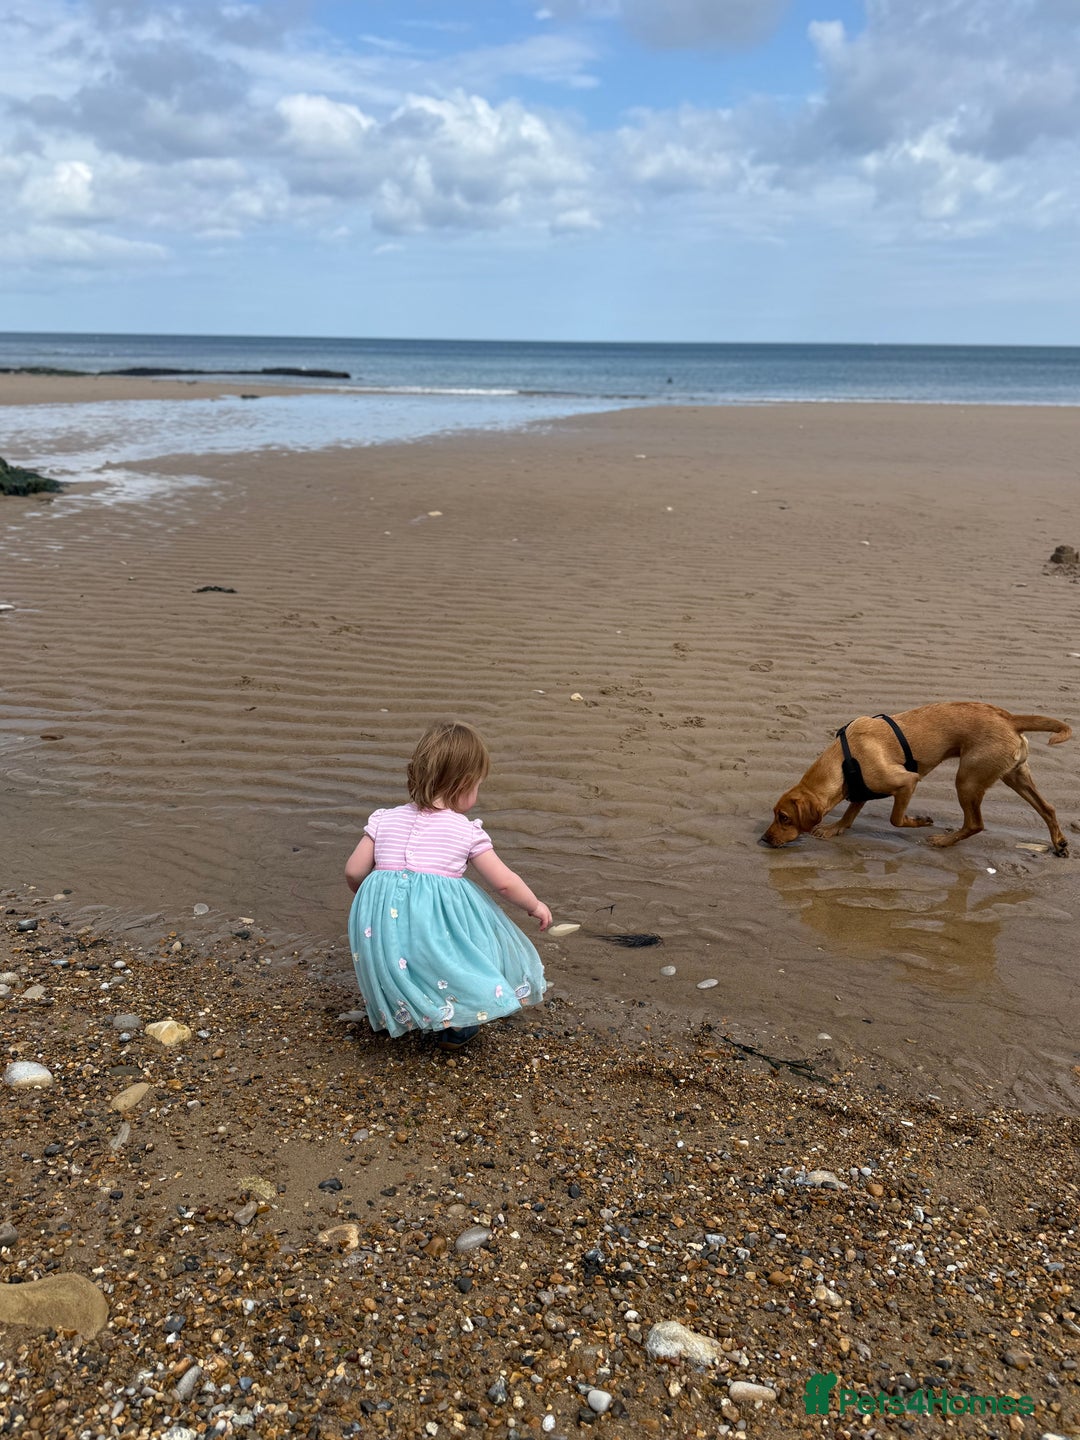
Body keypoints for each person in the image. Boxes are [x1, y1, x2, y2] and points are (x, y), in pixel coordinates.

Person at [345, 721, 552, 1049]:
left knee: (401, 957)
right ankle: (456, 1027)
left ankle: (398, 1011)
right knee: (456, 952)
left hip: (382, 921)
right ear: (464, 784)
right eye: (478, 785)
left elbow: (354, 870)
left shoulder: (384, 819)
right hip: (429, 924)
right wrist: (535, 905)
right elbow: (504, 883)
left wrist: (372, 897)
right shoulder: (467, 831)